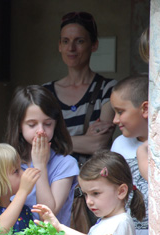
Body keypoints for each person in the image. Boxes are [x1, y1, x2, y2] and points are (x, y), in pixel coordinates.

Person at [5, 85, 79, 235]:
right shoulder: (8, 162)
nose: (41, 131)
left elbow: (46, 214)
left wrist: (40, 166)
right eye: (32, 124)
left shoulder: (66, 163)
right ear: (19, 126)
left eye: (47, 124)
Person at [43, 11, 117, 164]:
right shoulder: (45, 93)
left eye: (79, 41)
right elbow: (36, 142)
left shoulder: (108, 88)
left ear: (94, 45)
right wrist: (84, 140)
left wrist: (55, 141)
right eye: (65, 41)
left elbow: (98, 144)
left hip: (92, 180)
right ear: (59, 46)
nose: (71, 48)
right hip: (53, 179)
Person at [110, 74, 149, 235]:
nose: (115, 120)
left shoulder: (158, 145)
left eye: (120, 112)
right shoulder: (119, 145)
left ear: (145, 109)